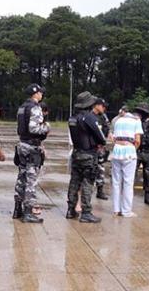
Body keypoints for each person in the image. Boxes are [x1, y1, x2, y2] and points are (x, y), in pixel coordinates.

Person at [66, 92, 106, 223]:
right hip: (88, 154)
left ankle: (71, 209)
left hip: (76, 152)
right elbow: (100, 136)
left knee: (74, 182)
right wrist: (100, 142)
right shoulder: (89, 117)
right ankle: (86, 212)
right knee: (88, 183)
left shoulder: (72, 118)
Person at [13, 83, 50, 223]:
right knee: (31, 180)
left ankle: (18, 209)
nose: (42, 95)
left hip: (22, 144)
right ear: (35, 93)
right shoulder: (35, 107)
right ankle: (28, 211)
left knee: (21, 178)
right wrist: (46, 127)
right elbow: (34, 128)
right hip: (31, 146)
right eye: (40, 92)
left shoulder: (22, 108)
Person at [111, 106, 143, 217]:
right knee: (128, 182)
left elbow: (113, 138)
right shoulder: (136, 121)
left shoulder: (118, 120)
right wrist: (133, 148)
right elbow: (138, 140)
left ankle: (116, 209)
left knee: (116, 181)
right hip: (129, 151)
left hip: (116, 151)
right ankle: (126, 211)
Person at [92, 98, 110, 200]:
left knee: (101, 169)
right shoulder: (90, 116)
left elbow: (107, 129)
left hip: (101, 148)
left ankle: (100, 190)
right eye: (102, 106)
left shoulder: (103, 117)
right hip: (92, 147)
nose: (104, 108)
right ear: (97, 105)